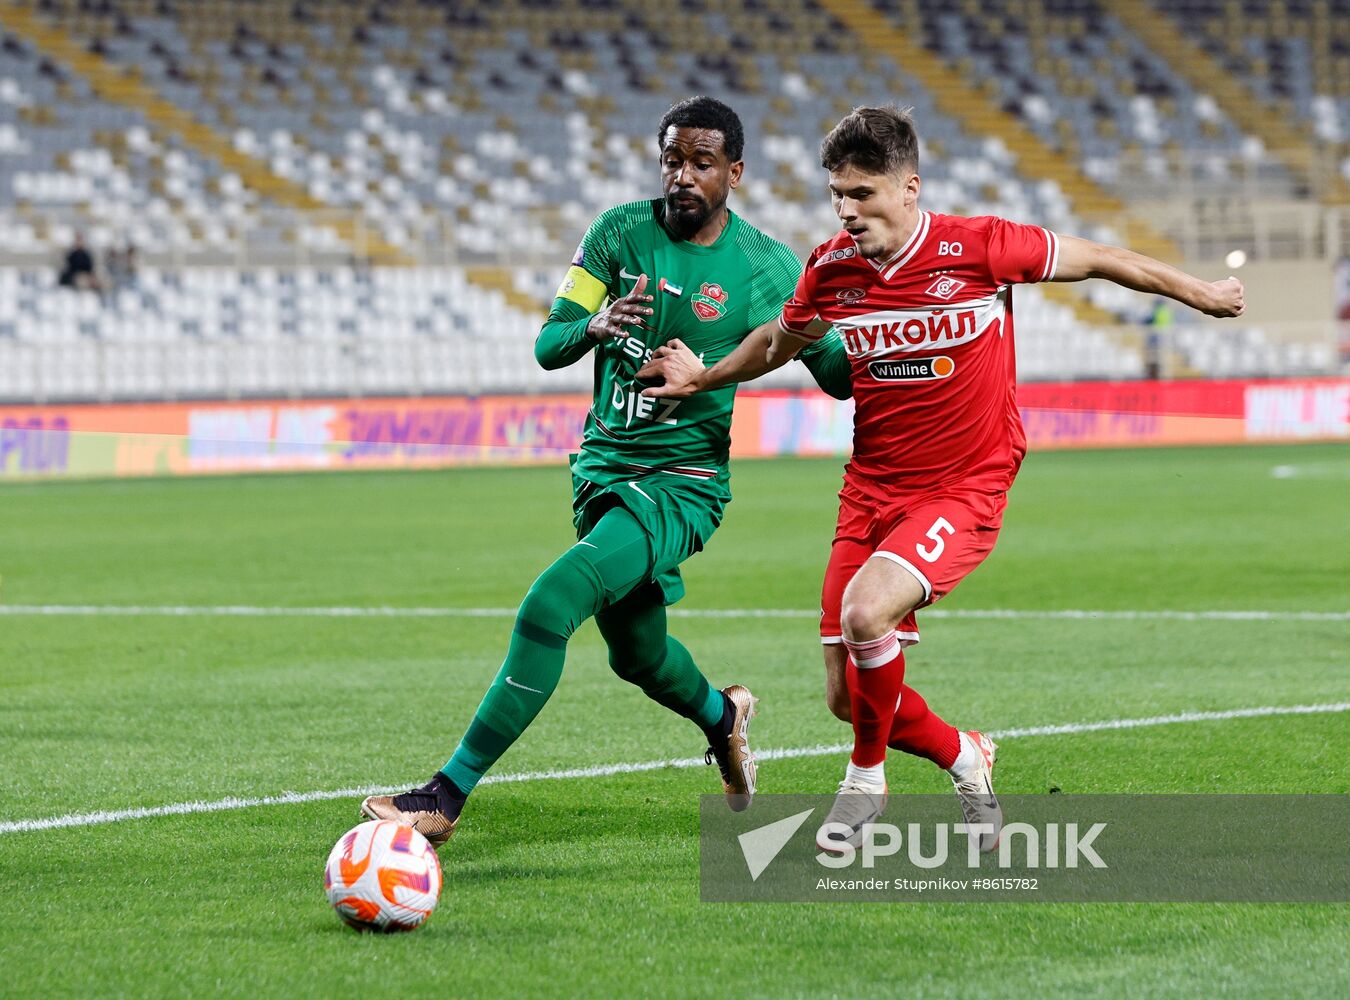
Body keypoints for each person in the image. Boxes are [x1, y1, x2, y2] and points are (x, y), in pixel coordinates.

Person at [637, 106, 1245, 852]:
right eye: (837, 194)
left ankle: (865, 784)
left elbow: (1099, 257)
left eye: (862, 194)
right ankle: (966, 755)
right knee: (845, 695)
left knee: (866, 617)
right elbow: (778, 340)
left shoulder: (981, 247)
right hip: (871, 488)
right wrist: (705, 379)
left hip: (965, 484)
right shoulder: (832, 270)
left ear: (909, 188)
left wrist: (1200, 293)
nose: (846, 211)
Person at [361, 96, 852, 845]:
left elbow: (837, 371)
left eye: (701, 163)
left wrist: (906, 331)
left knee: (551, 604)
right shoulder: (617, 232)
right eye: (671, 159)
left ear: (736, 172)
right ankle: (724, 715)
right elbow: (549, 344)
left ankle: (446, 794)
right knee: (638, 654)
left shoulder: (767, 267)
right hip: (602, 471)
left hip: (682, 484)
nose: (682, 175)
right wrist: (593, 323)